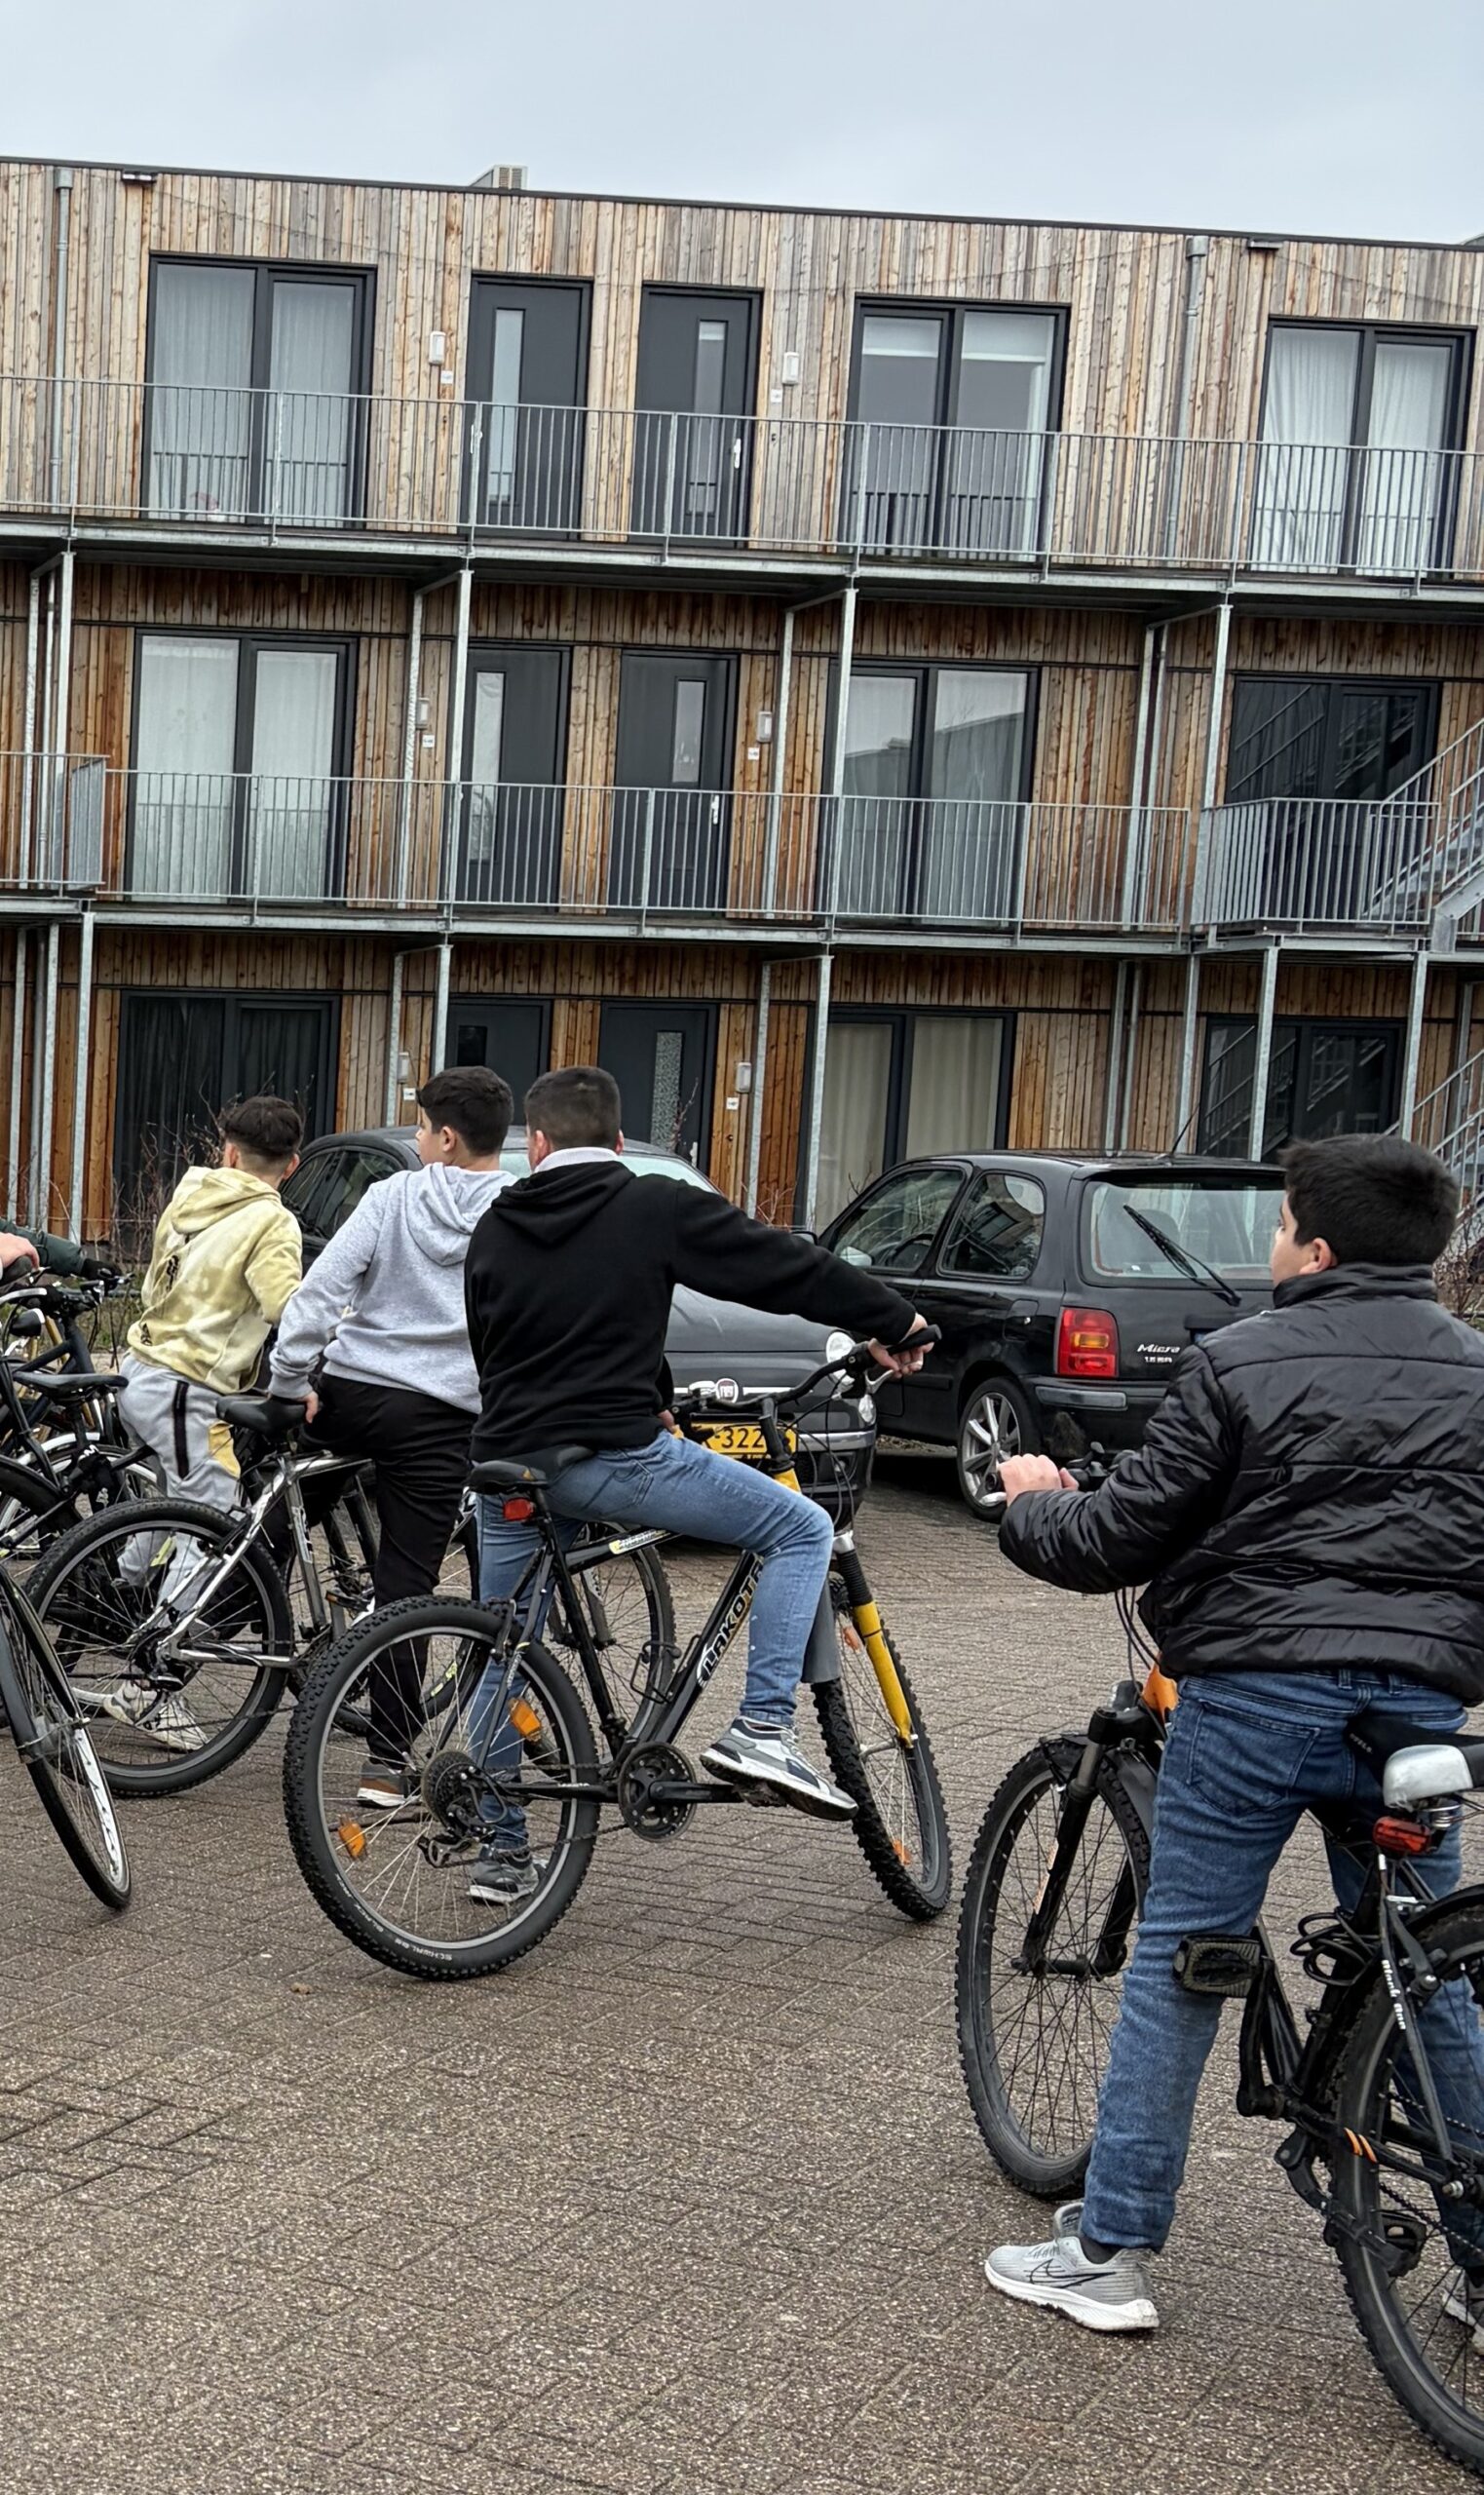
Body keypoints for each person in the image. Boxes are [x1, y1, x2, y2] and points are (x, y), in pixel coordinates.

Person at [983, 1132, 1484, 2335]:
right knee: (1435, 1970)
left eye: (1275, 1227)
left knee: (1183, 1955)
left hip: (1255, 1697)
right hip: (1417, 1707)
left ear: (1309, 1245)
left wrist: (1032, 1506)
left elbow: (1121, 1536)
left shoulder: (1238, 1362)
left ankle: (1108, 2250)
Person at [458, 1063, 930, 1901]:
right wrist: (889, 1317)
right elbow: (779, 1265)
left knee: (504, 1652)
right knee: (800, 1528)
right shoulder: (649, 1204)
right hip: (611, 1459)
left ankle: (501, 1853)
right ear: (615, 1143)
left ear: (533, 1145)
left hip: (508, 1464)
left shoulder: (497, 1222)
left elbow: (523, 1341)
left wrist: (648, 1392)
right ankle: (760, 1730)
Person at [269, 1065, 514, 1806]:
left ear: (445, 1136)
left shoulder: (390, 1196)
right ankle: (384, 1763)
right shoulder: (520, 1211)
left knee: (284, 1510)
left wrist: (288, 1381)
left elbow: (321, 1292)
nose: (414, 1138)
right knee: (406, 1587)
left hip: (351, 1394)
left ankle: (239, 1602)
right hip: (438, 1416)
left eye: (420, 1127)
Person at [108, 1095, 305, 1743]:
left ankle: (113, 1596)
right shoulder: (270, 1222)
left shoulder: (190, 1196)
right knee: (216, 1523)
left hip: (140, 1366)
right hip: (189, 1386)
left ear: (227, 1151)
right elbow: (286, 1309)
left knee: (168, 1502)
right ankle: (154, 1673)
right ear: (292, 1165)